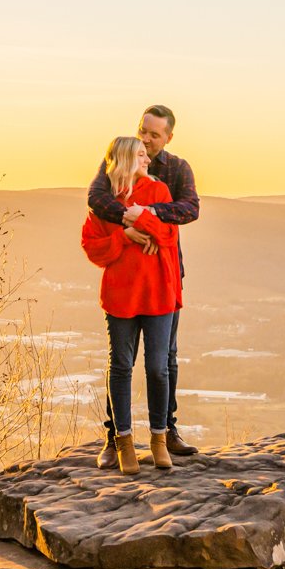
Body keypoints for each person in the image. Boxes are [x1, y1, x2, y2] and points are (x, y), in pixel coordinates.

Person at [86, 104, 199, 463]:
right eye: (143, 131)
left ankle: (166, 430)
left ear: (167, 137)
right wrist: (127, 224)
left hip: (164, 274)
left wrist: (148, 215)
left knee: (164, 359)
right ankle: (114, 438)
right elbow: (96, 200)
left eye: (154, 135)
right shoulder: (118, 161)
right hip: (125, 280)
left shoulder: (176, 169)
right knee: (121, 361)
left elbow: (189, 210)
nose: (147, 140)